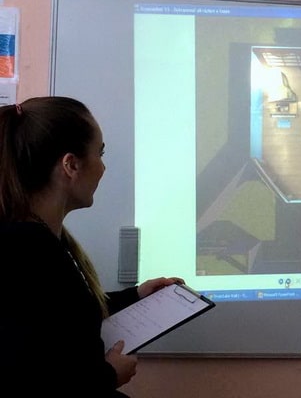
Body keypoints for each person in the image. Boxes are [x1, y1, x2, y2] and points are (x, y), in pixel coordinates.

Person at [0, 96, 182, 397]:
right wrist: (108, 376)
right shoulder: (26, 250)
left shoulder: (34, 241)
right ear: (71, 165)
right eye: (100, 153)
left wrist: (135, 296)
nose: (103, 167)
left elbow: (60, 317)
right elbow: (27, 374)